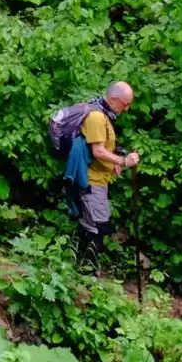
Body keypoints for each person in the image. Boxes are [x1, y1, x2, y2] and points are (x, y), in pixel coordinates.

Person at [70, 81, 141, 272]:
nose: (126, 109)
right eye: (125, 104)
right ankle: (88, 271)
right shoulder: (96, 117)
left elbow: (103, 149)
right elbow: (98, 152)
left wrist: (114, 163)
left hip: (97, 179)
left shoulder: (103, 115)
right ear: (113, 99)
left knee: (89, 224)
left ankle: (75, 265)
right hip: (91, 181)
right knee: (98, 227)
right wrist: (123, 161)